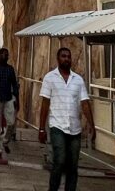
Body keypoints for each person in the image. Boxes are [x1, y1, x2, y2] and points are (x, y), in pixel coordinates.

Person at [38, 47, 95, 191]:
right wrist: (41, 128)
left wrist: (92, 125)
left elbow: (85, 103)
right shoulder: (49, 78)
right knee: (60, 160)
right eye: (63, 56)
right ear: (58, 59)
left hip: (75, 129)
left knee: (73, 166)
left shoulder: (78, 80)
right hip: (57, 126)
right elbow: (45, 104)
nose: (66, 59)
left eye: (68, 57)